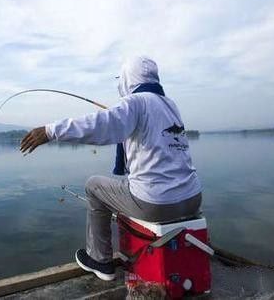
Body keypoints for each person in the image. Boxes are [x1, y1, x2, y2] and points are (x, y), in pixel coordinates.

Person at [19, 56, 202, 281]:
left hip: (158, 204)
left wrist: (50, 131)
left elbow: (102, 125)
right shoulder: (169, 105)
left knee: (93, 186)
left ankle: (99, 260)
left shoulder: (135, 103)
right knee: (129, 184)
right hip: (193, 198)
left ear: (128, 78)